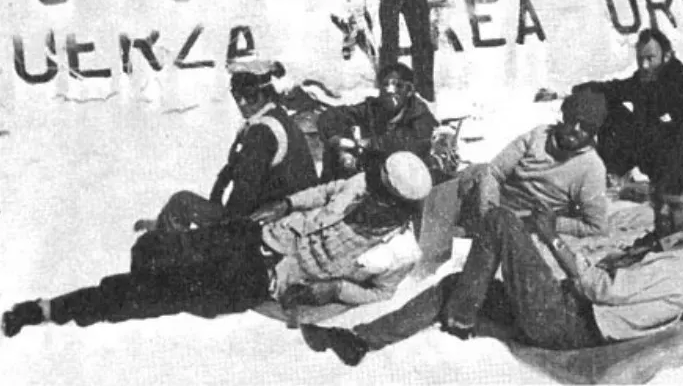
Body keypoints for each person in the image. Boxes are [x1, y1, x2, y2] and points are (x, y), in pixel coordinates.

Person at [300, 172, 683, 366]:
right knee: (456, 283)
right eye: (662, 207)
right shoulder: (680, 255)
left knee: (500, 221)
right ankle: (360, 341)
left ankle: (463, 315)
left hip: (572, 322)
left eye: (676, 209)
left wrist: (550, 237)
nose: (664, 216)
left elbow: (602, 289)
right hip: (564, 310)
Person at [2, 152, 432, 338]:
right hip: (257, 236)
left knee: (156, 296)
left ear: (396, 204)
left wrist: (334, 290)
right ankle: (137, 276)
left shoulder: (399, 249)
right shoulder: (362, 184)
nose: (367, 192)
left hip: (266, 279)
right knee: (156, 254)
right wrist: (284, 203)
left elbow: (380, 292)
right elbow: (324, 192)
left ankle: (50, 309)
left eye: (378, 193)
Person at [133, 59, 318, 233]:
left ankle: (167, 240)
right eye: (237, 96)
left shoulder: (262, 131)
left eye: (250, 96)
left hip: (271, 223)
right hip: (289, 216)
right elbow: (231, 171)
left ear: (266, 92)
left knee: (182, 202)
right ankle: (168, 228)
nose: (242, 103)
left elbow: (243, 196)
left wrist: (220, 229)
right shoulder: (276, 117)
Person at [572, 28, 683, 198]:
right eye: (641, 59)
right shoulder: (644, 80)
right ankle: (617, 176)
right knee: (610, 107)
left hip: (680, 160)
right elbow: (616, 89)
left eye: (650, 58)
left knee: (674, 132)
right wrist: (580, 90)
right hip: (653, 154)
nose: (644, 65)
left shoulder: (681, 86)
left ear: (666, 56)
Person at [456, 89, 609, 238]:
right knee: (473, 174)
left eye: (586, 126)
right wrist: (489, 213)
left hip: (527, 226)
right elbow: (494, 172)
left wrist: (553, 224)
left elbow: (596, 227)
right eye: (572, 120)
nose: (576, 129)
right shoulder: (538, 136)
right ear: (564, 117)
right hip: (495, 208)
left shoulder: (592, 167)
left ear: (594, 131)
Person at [316, 62, 439, 183]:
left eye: (398, 86)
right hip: (374, 174)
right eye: (385, 85)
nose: (390, 90)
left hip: (407, 179)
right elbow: (331, 116)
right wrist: (337, 141)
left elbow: (409, 143)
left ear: (409, 91)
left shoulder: (420, 114)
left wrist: (368, 143)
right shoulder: (373, 108)